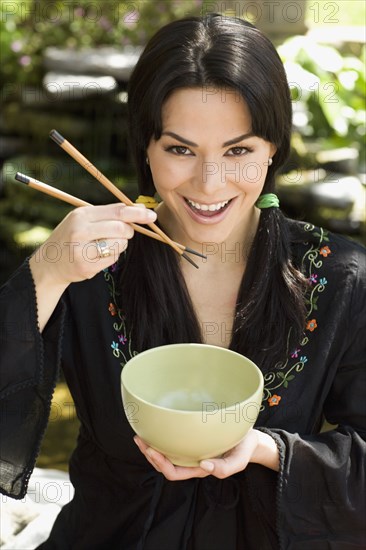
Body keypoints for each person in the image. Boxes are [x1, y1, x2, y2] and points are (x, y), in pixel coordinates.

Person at [0, 13, 365, 550]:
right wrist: (45, 272)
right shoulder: (89, 265)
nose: (208, 183)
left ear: (273, 149)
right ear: (145, 148)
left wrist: (268, 449)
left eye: (238, 151)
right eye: (180, 149)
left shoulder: (335, 276)